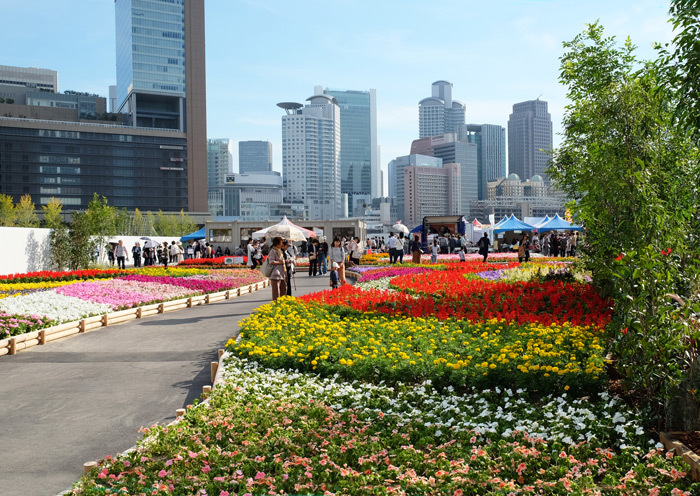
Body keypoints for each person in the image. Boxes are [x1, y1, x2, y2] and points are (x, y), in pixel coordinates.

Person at [268, 237, 287, 301]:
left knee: (283, 289)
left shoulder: (279, 251)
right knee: (276, 292)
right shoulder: (273, 251)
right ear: (277, 243)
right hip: (276, 274)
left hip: (282, 274)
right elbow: (271, 261)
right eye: (281, 242)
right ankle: (276, 305)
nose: (282, 244)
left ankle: (281, 303)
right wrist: (280, 262)